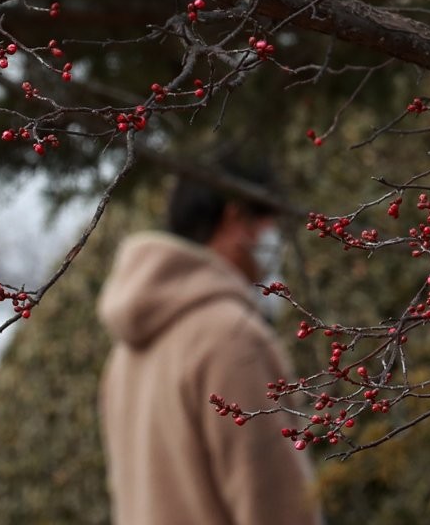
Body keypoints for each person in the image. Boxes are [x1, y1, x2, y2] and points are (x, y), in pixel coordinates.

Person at [97, 155, 323, 525]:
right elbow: (274, 503)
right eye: (270, 223)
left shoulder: (124, 354)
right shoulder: (230, 337)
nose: (274, 241)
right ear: (237, 219)